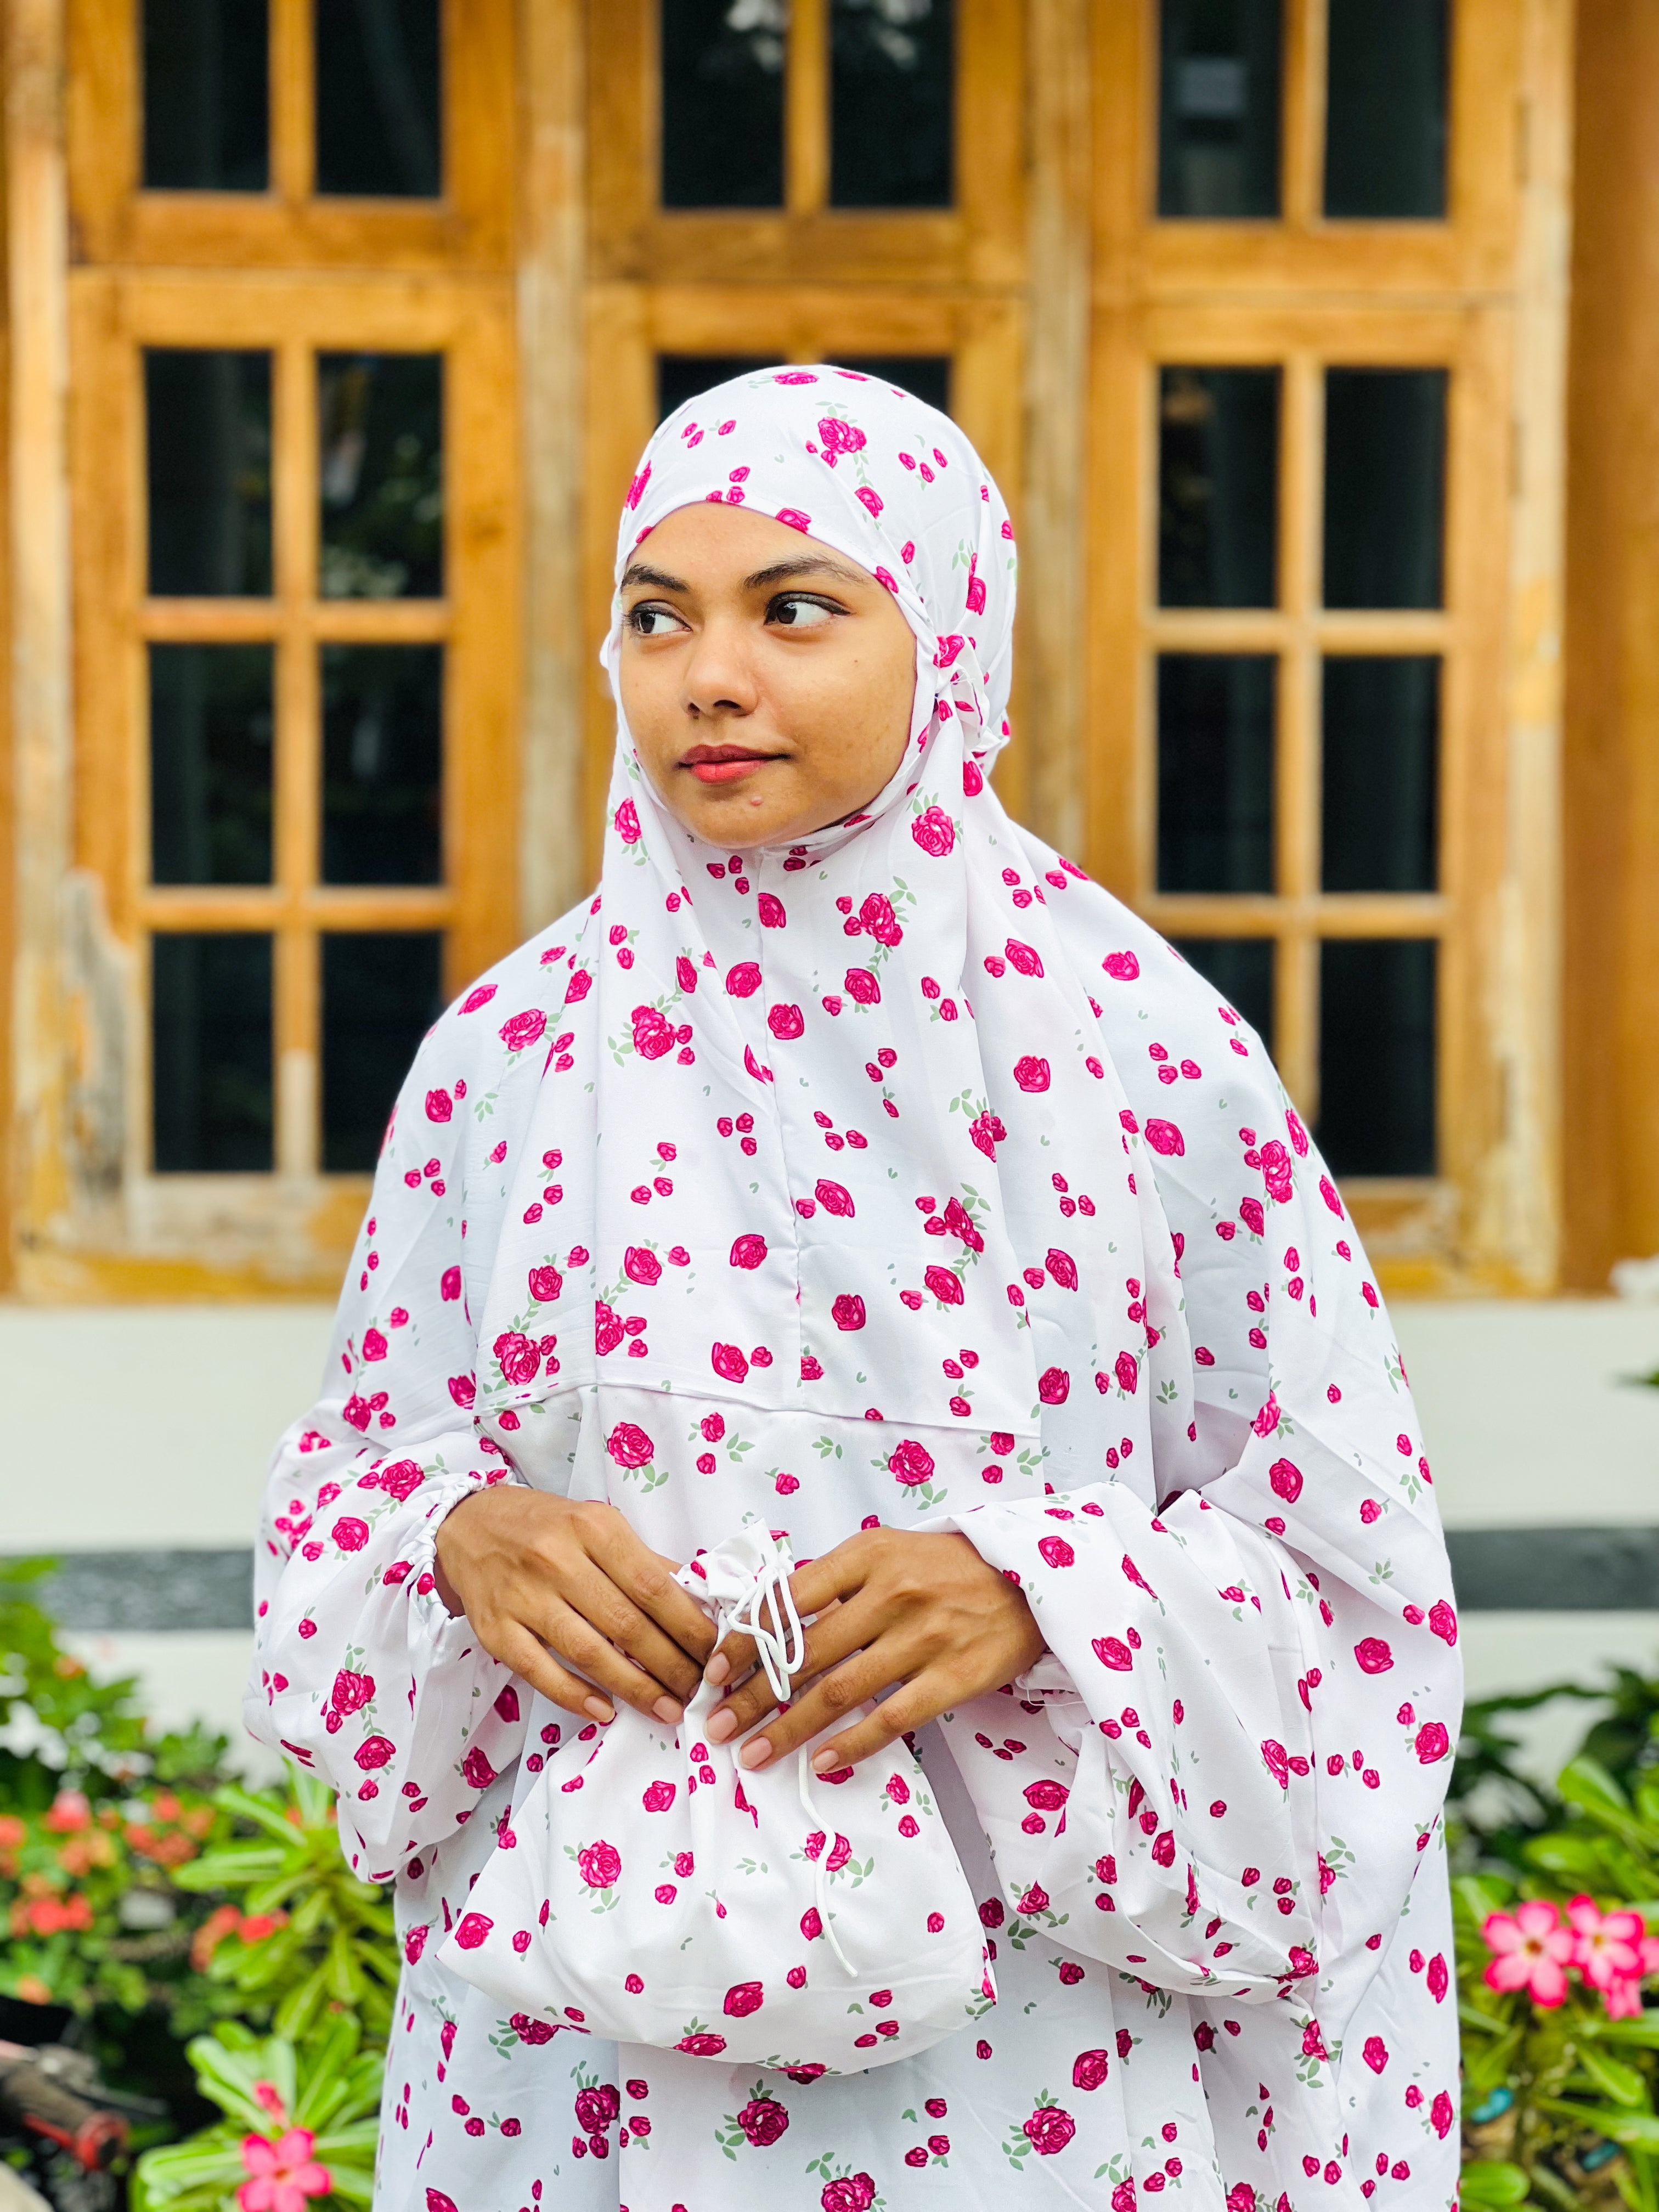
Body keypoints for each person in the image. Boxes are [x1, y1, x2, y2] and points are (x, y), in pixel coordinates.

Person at [246, 366, 1462, 2210]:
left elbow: (1354, 1586)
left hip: (1036, 2069)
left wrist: (1043, 1592)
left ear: (950, 630)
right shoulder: (506, 1055)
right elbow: (354, 1484)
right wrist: (461, 1539)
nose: (707, 677)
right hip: (582, 2064)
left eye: (796, 608)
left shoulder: (1138, 1056)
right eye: (658, 617)